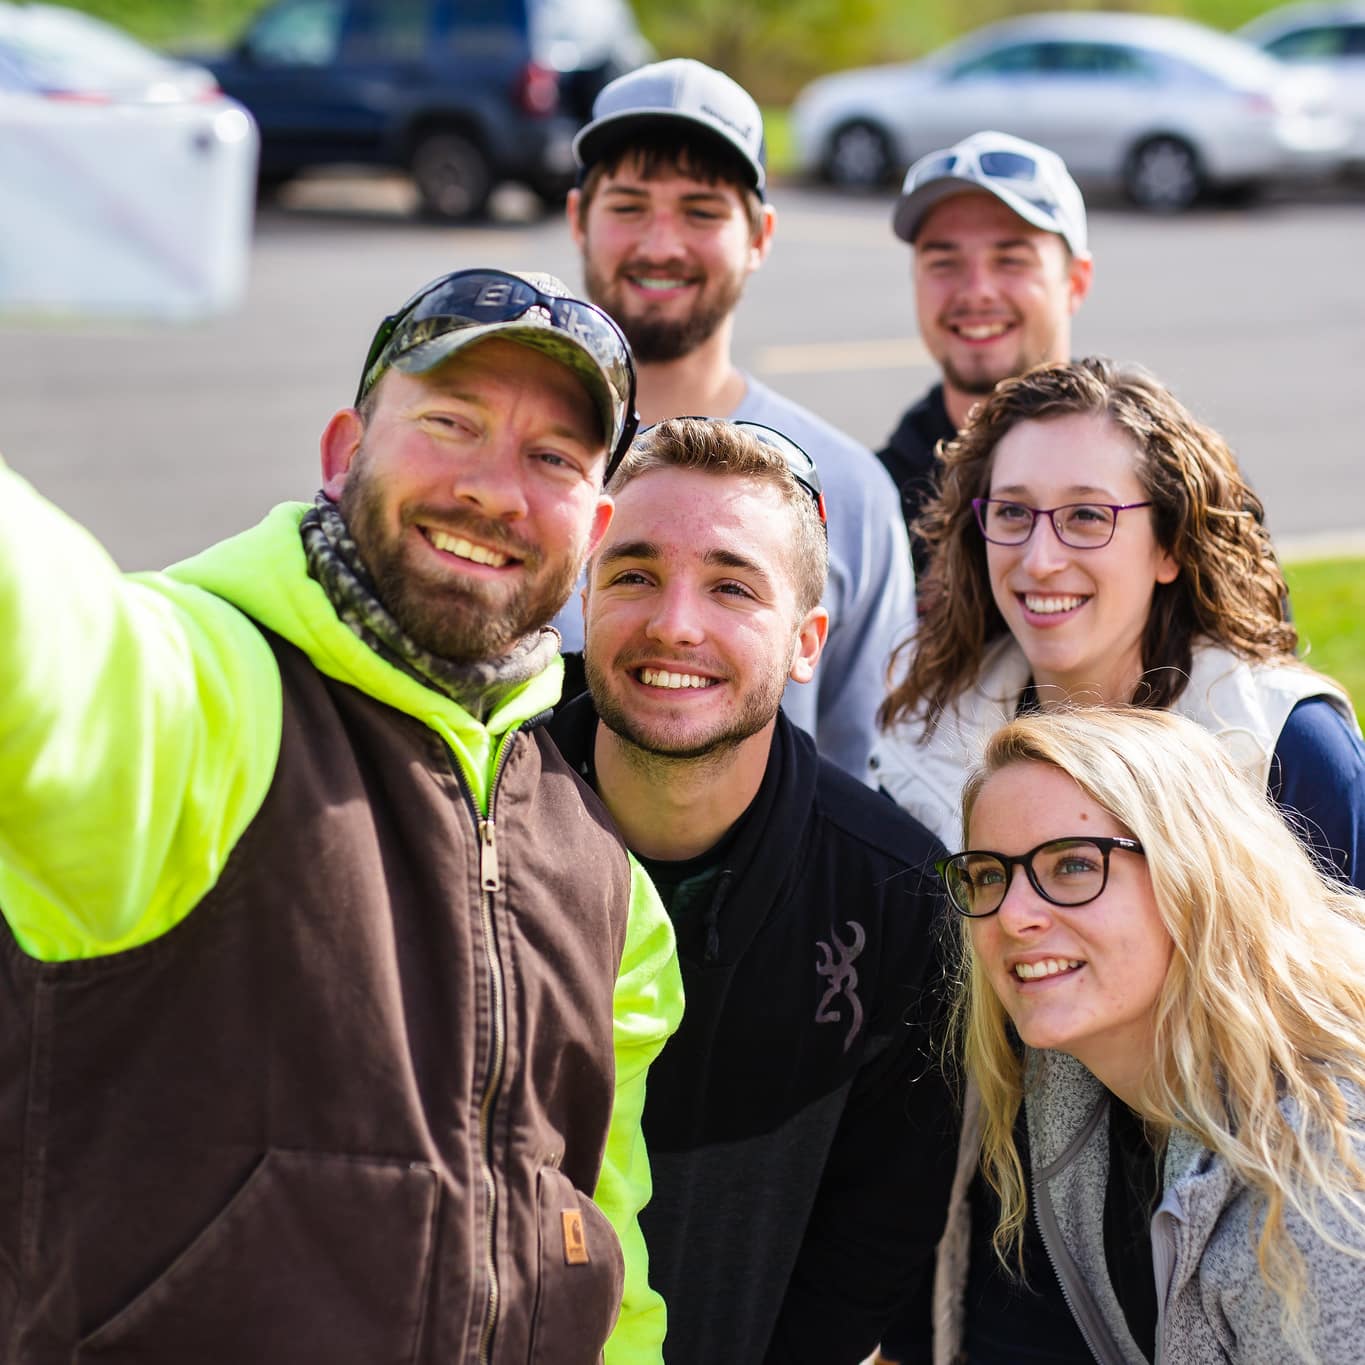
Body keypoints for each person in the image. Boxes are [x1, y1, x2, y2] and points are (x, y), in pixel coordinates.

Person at [0, 267, 684, 1364]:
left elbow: (606, 1264)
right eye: (452, 423)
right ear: (341, 452)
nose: (496, 492)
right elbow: (38, 635)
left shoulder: (609, 888)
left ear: (595, 525)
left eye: (552, 458)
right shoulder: (204, 698)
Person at [873, 355, 1364, 1365]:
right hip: (1014, 1235)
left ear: (1171, 544)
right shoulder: (931, 735)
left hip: (1249, 1242)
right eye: (1011, 513)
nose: (1040, 557)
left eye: (1087, 516)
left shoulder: (1277, 744)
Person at [548, 417, 957, 1363]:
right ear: (585, 594)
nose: (674, 623)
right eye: (634, 573)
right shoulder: (466, 824)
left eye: (731, 585)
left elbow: (870, 1247)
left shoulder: (899, 904)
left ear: (807, 640)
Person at [942, 706, 1365, 1363]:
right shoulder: (1071, 1081)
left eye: (1073, 865)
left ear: (1194, 876)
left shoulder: (1323, 1189)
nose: (1015, 913)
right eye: (989, 873)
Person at [559, 56, 915, 782]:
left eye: (700, 211)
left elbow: (865, 772)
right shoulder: (512, 471)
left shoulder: (845, 489)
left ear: (759, 235)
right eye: (628, 206)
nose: (660, 244)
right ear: (577, 220)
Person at [877, 130, 1094, 581]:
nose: (975, 292)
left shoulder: (1159, 478)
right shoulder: (870, 503)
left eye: (1010, 260)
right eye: (944, 262)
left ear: (1075, 282)